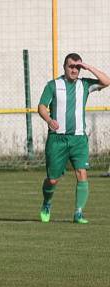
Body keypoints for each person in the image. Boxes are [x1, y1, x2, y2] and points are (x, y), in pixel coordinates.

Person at [37, 53, 109, 224]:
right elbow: (41, 106)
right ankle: (47, 203)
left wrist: (88, 67)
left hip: (78, 139)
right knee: (52, 179)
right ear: (64, 67)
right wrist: (48, 120)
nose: (74, 69)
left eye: (77, 67)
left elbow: (106, 81)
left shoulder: (85, 85)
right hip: (57, 139)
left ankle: (78, 213)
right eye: (71, 66)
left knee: (81, 173)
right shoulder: (53, 85)